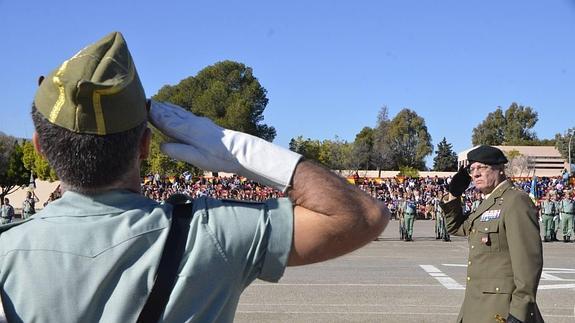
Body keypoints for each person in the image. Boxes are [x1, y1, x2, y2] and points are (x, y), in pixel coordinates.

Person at [0, 32, 389, 322]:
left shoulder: (7, 251)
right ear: (144, 145)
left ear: (40, 146)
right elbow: (360, 215)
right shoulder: (213, 233)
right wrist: (239, 150)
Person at [440, 145, 543, 323]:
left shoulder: (515, 201)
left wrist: (519, 313)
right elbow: (456, 227)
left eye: (482, 167)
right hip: (476, 305)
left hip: (500, 308)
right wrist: (453, 194)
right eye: (472, 169)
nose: (476, 174)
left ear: (500, 168)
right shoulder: (488, 203)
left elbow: (528, 263)